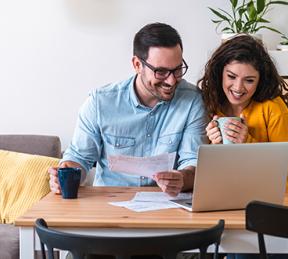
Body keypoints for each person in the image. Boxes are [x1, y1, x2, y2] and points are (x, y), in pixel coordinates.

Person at [49, 23, 207, 197]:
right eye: (161, 72)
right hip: (108, 206)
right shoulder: (100, 102)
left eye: (177, 70)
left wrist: (182, 178)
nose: (171, 81)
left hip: (168, 206)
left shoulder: (192, 100)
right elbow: (79, 157)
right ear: (137, 64)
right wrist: (64, 175)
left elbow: (193, 162)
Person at [199, 34, 288, 191]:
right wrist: (215, 147)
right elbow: (217, 171)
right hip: (239, 192)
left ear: (260, 80)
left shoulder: (273, 107)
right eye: (231, 76)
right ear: (219, 72)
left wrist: (248, 143)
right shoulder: (212, 104)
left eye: (249, 80)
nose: (238, 87)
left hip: (284, 194)